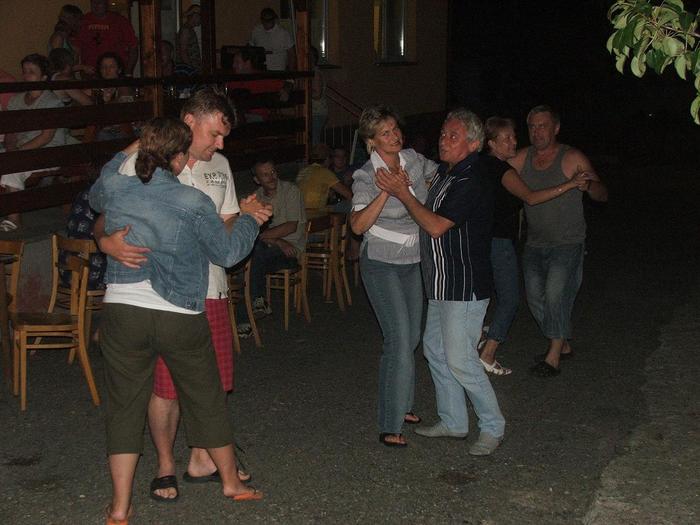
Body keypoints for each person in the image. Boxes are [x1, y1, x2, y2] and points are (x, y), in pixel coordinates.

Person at [90, 117, 269, 524]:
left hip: (123, 309)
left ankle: (119, 507)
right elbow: (227, 254)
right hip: (178, 313)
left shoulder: (116, 186)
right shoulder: (192, 200)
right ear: (177, 158)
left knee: (124, 407)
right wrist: (249, 220)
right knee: (205, 396)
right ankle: (231, 483)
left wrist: (136, 143)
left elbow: (101, 186)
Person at [376, 109, 506, 456]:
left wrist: (403, 193)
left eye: (453, 136)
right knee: (434, 349)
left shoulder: (471, 179)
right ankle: (453, 420)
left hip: (464, 285)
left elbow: (435, 226)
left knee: (461, 359)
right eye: (444, 134)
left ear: (474, 144)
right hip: (442, 284)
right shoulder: (450, 173)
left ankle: (493, 426)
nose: (444, 140)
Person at [350, 105, 437, 447]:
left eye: (395, 129)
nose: (394, 136)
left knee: (411, 337)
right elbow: (357, 226)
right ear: (371, 141)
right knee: (399, 339)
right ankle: (390, 423)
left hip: (412, 260)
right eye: (385, 133)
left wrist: (425, 183)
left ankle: (404, 405)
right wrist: (388, 190)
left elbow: (440, 175)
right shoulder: (366, 176)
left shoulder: (414, 159)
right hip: (380, 261)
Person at [477, 117, 590, 375]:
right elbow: (531, 197)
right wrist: (570, 184)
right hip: (500, 242)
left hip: (484, 241)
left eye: (514, 136)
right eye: (507, 138)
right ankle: (488, 352)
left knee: (487, 295)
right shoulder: (503, 169)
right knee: (512, 299)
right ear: (492, 143)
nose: (514, 142)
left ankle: (556, 350)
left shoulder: (480, 164)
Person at [509, 105, 608, 377]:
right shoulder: (523, 158)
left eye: (542, 126)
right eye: (532, 126)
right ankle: (561, 342)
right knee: (535, 299)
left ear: (556, 128)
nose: (537, 132)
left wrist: (589, 186)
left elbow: (602, 194)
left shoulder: (572, 157)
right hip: (535, 242)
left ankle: (552, 357)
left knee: (556, 295)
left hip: (568, 241)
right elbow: (497, 171)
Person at [0, 54, 68, 231]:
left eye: (31, 72)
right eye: (24, 71)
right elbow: (11, 132)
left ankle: (14, 219)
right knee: (8, 159)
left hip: (48, 150)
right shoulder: (16, 100)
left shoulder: (51, 101)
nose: (26, 75)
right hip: (23, 148)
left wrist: (18, 152)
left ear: (43, 77)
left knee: (13, 167)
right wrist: (10, 148)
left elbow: (46, 137)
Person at [239, 158, 306, 326]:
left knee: (250, 262)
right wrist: (276, 240)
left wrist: (271, 239)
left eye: (273, 172)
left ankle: (245, 317)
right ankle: (254, 305)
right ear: (257, 180)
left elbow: (291, 226)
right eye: (265, 175)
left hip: (289, 250)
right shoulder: (256, 197)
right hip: (267, 250)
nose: (272, 177)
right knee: (251, 261)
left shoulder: (290, 191)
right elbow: (249, 227)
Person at [225, 46, 288, 122]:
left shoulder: (261, 78)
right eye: (234, 62)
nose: (233, 65)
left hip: (256, 118)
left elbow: (285, 84)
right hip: (237, 116)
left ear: (247, 63)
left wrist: (285, 90)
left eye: (237, 62)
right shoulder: (232, 79)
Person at [77, 0, 138, 74]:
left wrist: (128, 71)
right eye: (93, 3)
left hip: (114, 72)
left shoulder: (120, 21)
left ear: (106, 4)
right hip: (90, 71)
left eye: (99, 3)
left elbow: (133, 47)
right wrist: (82, 68)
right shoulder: (83, 21)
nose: (96, 5)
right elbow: (77, 48)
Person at [85, 52, 135, 142]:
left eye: (111, 67)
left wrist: (106, 102)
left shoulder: (123, 86)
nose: (107, 70)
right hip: (103, 131)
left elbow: (126, 102)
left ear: (119, 70)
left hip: (121, 131)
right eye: (103, 67)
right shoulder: (97, 87)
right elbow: (82, 96)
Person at [297, 143, 352, 210]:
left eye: (344, 156)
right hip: (315, 212)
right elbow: (349, 195)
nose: (341, 159)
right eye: (337, 156)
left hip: (299, 211)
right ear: (327, 159)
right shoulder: (325, 172)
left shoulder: (303, 171)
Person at [249, 7, 296, 72]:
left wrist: (290, 73)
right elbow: (251, 49)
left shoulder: (283, 33)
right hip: (260, 70)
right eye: (265, 20)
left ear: (274, 19)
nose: (267, 22)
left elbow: (291, 54)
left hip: (278, 70)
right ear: (262, 20)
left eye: (269, 20)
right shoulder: (256, 31)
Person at [310, 46, 328, 145]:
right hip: (314, 112)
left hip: (317, 112)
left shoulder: (315, 73)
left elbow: (317, 94)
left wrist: (305, 91)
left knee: (314, 141)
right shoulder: (311, 72)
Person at [177, 4, 202, 72]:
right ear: (195, 16)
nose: (201, 20)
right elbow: (183, 52)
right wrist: (191, 69)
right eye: (200, 17)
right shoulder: (186, 30)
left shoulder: (190, 29)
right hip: (189, 70)